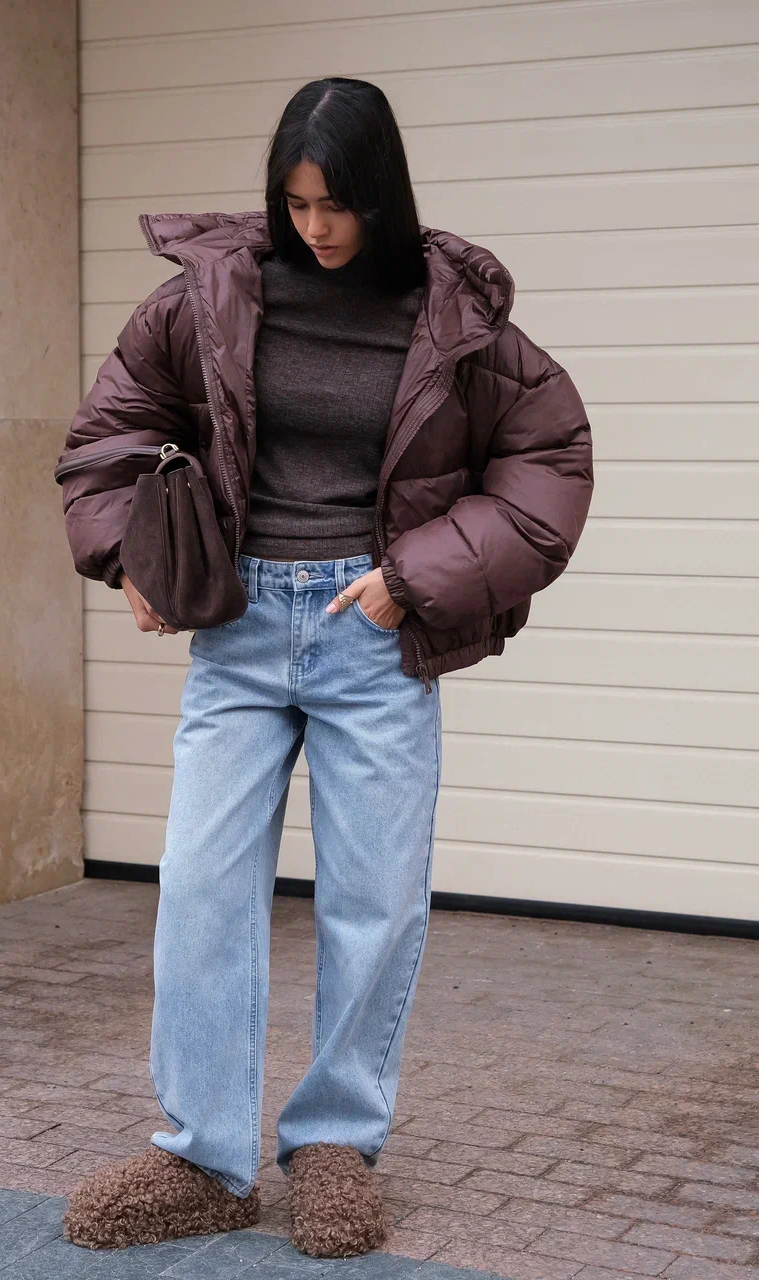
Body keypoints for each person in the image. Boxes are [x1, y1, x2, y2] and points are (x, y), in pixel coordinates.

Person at [56, 77, 593, 1259]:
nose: (316, 228)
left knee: (373, 898)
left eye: (337, 204)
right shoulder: (210, 296)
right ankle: (203, 1155)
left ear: (381, 194)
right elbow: (111, 432)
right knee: (201, 889)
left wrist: (414, 576)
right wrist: (129, 552)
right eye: (296, 203)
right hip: (241, 629)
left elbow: (548, 460)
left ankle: (337, 1141)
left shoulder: (455, 316)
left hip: (373, 631)